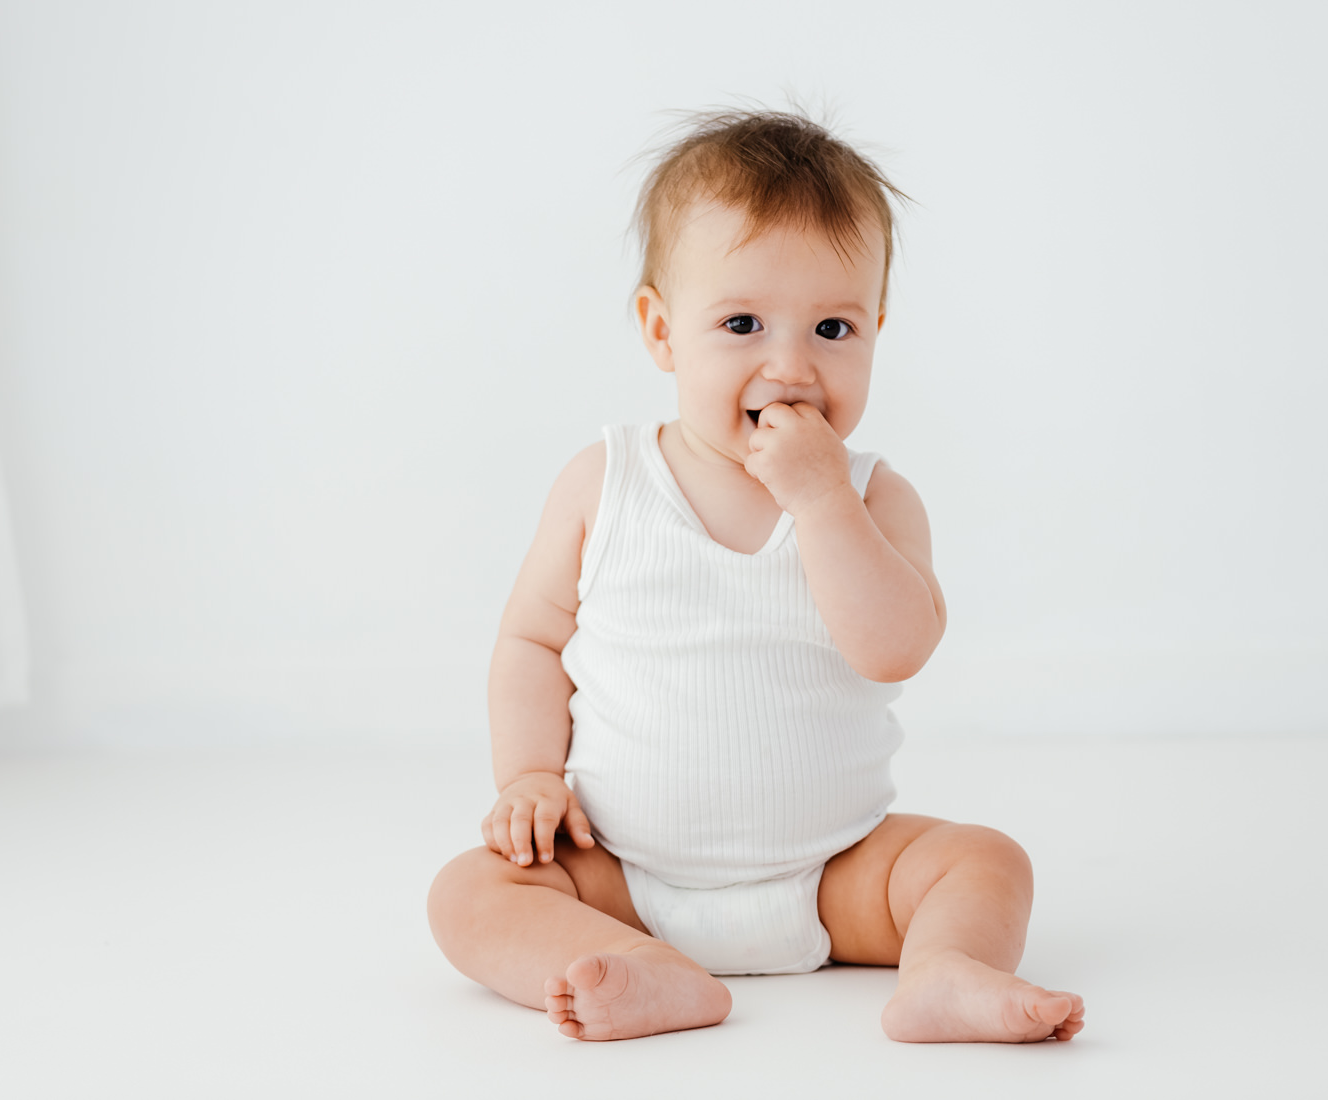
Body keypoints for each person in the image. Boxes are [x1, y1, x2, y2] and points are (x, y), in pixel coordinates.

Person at [427, 108, 1086, 1043]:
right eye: (742, 323)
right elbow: (533, 640)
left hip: (832, 877)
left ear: (876, 333)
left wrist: (823, 505)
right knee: (470, 891)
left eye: (832, 327)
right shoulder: (605, 482)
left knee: (983, 860)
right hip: (618, 873)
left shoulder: (874, 497)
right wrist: (529, 775)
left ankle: (943, 971)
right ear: (662, 331)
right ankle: (651, 972)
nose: (792, 367)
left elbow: (894, 650)